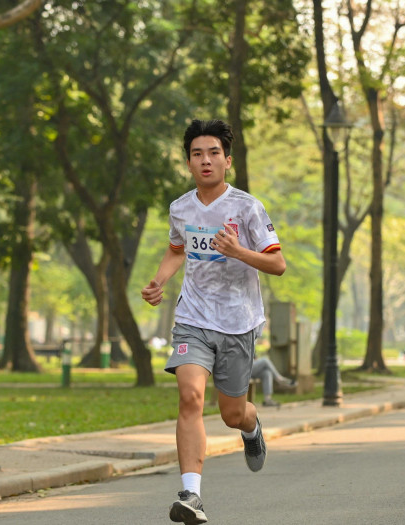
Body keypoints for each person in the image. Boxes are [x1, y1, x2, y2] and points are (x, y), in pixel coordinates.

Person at [141, 119, 286, 524]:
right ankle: (192, 494)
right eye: (197, 154)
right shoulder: (181, 208)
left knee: (231, 414)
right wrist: (159, 281)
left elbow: (277, 263)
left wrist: (239, 251)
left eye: (213, 153)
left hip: (238, 323)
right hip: (193, 318)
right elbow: (176, 250)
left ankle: (251, 424)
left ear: (227, 161)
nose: (205, 160)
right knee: (189, 397)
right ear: (188, 162)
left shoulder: (247, 207)